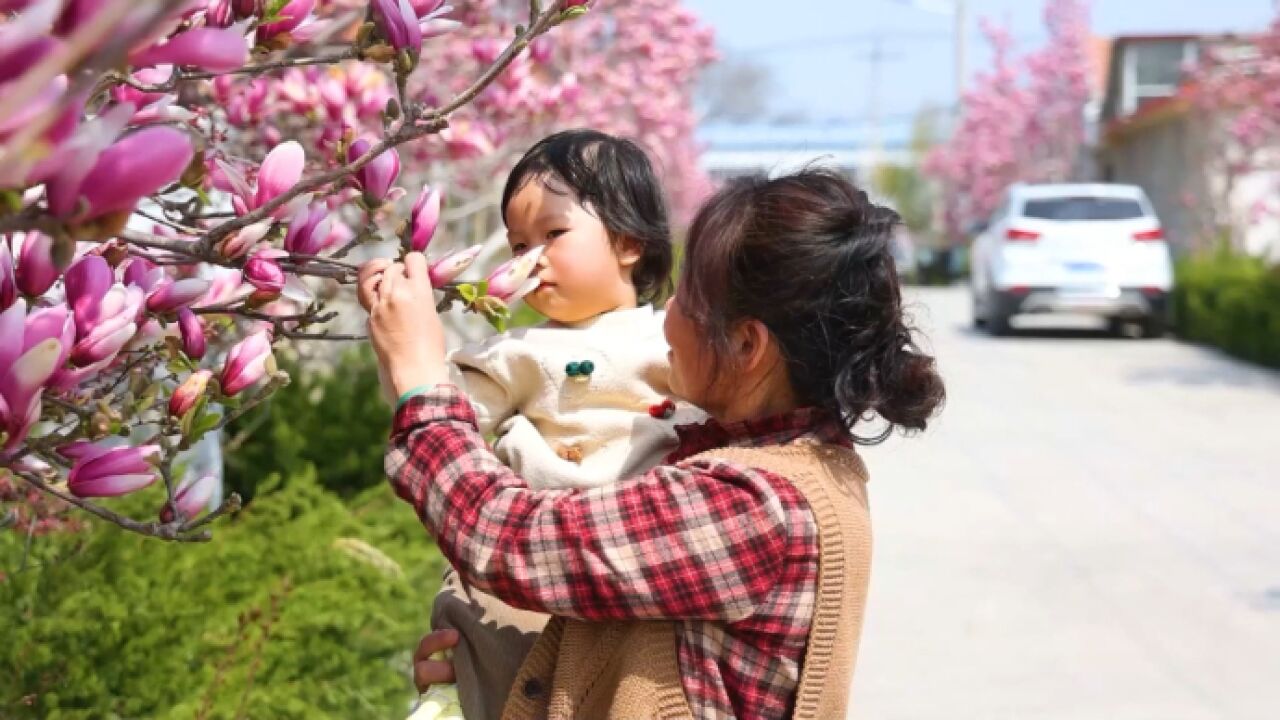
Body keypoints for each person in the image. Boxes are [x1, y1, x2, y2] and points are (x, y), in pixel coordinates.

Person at [366, 168, 946, 717]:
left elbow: (512, 537)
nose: (666, 313)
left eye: (689, 299)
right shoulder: (788, 462)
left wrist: (418, 379)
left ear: (747, 345)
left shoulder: (754, 505)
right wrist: (493, 672)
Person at [358, 129, 698, 720]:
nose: (530, 260)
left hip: (622, 569)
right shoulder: (515, 350)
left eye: (554, 234)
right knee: (480, 650)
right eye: (518, 244)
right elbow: (436, 411)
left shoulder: (672, 342)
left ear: (628, 242)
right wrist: (395, 328)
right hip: (518, 566)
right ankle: (450, 700)